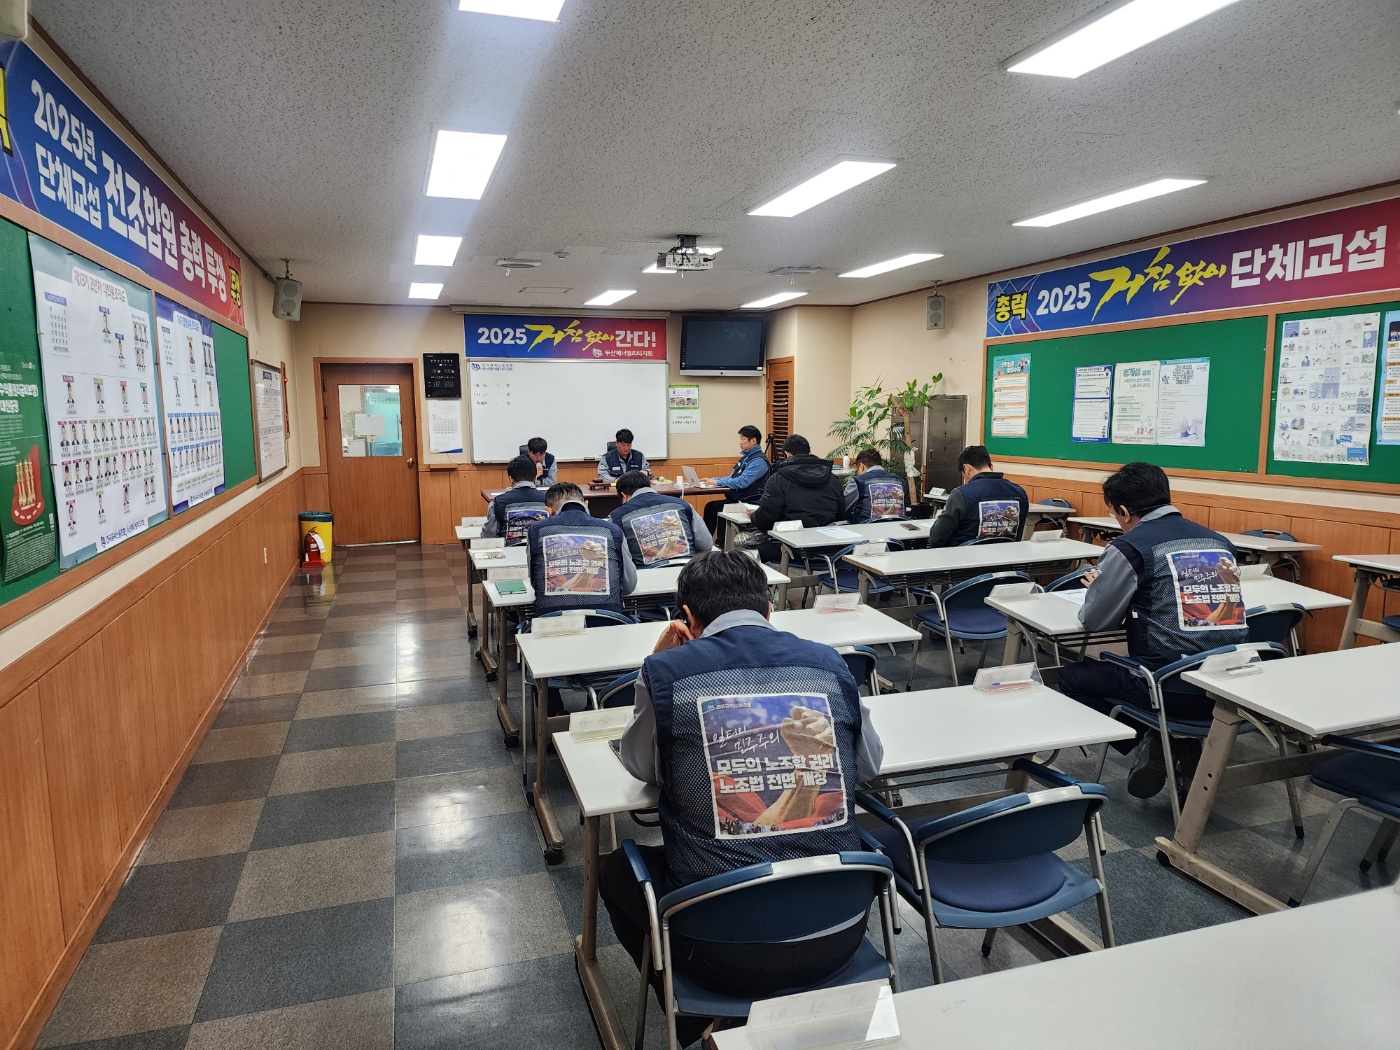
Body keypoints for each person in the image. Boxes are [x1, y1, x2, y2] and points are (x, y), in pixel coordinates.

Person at [601, 551, 884, 1047]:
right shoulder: (829, 663)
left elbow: (643, 768)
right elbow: (870, 767)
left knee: (614, 871)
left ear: (687, 618)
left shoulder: (666, 672)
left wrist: (660, 663)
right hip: (840, 933)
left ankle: (694, 1019)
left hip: (722, 952)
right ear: (768, 608)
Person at [1058, 462, 1248, 799]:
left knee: (1070, 678)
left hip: (1168, 688)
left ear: (1124, 511)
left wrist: (1100, 589)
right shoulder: (1219, 542)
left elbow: (1094, 621)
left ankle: (1153, 738)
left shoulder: (1130, 548)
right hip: (1229, 688)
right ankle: (1169, 740)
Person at [526, 482, 636, 618]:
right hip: (608, 622)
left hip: (552, 623)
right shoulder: (612, 530)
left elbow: (536, 583)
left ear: (549, 511)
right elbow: (629, 586)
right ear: (586, 504)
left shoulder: (536, 531)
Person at [927, 445, 1029, 546]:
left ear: (966, 468)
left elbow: (937, 537)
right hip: (1007, 554)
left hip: (963, 555)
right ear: (991, 467)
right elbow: (1017, 536)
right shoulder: (1019, 492)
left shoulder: (960, 494)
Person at [609, 469, 712, 567]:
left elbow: (617, 559)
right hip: (689, 570)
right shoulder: (683, 504)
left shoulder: (617, 517)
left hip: (647, 574)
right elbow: (706, 544)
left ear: (624, 496)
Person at [750, 434, 845, 531]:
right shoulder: (832, 478)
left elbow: (766, 518)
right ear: (809, 452)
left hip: (788, 536)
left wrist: (754, 516)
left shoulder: (778, 479)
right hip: (827, 535)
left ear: (787, 454)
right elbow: (841, 511)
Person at [702, 424, 770, 535]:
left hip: (750, 502)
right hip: (739, 499)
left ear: (753, 441)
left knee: (720, 510)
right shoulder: (746, 458)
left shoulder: (759, 461)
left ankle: (721, 542)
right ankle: (707, 541)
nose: (740, 442)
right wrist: (713, 480)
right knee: (711, 507)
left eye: (743, 439)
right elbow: (732, 478)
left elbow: (742, 482)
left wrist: (717, 482)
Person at [482, 455, 548, 543]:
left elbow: (488, 536)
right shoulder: (548, 501)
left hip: (508, 550)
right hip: (538, 551)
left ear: (510, 479)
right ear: (536, 477)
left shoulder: (497, 502)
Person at [843, 448, 909, 521]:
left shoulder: (858, 481)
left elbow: (843, 507)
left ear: (861, 466)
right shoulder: (900, 481)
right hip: (897, 526)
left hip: (865, 527)